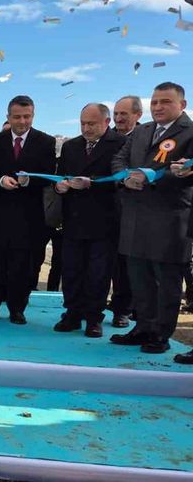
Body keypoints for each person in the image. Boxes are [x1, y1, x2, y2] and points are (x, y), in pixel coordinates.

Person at [111, 82, 193, 354]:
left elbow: (187, 172)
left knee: (166, 281)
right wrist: (126, 178)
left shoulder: (190, 132)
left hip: (169, 219)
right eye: (155, 101)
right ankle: (143, 327)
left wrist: (152, 178)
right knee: (139, 278)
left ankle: (161, 333)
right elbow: (119, 159)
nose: (158, 107)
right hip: (135, 216)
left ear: (182, 105)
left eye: (165, 102)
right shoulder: (142, 131)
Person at [0, 95, 56, 325]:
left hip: (28, 216)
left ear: (33, 115)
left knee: (22, 266)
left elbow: (48, 175)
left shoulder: (45, 142)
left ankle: (17, 309)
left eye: (27, 116)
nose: (22, 121)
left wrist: (29, 181)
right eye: (17, 117)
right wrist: (1, 180)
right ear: (8, 117)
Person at [52, 104, 126, 338]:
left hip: (104, 220)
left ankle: (94, 318)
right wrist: (60, 186)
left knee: (98, 273)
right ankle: (72, 313)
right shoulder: (71, 146)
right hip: (73, 219)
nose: (86, 128)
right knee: (71, 269)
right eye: (83, 123)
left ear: (106, 122)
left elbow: (121, 178)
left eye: (91, 124)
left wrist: (91, 183)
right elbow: (60, 175)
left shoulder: (120, 143)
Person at [107, 95, 144, 326]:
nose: (118, 119)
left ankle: (124, 308)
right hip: (104, 210)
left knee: (128, 263)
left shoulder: (147, 137)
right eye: (116, 114)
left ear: (138, 115)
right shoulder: (106, 137)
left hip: (136, 210)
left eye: (124, 114)